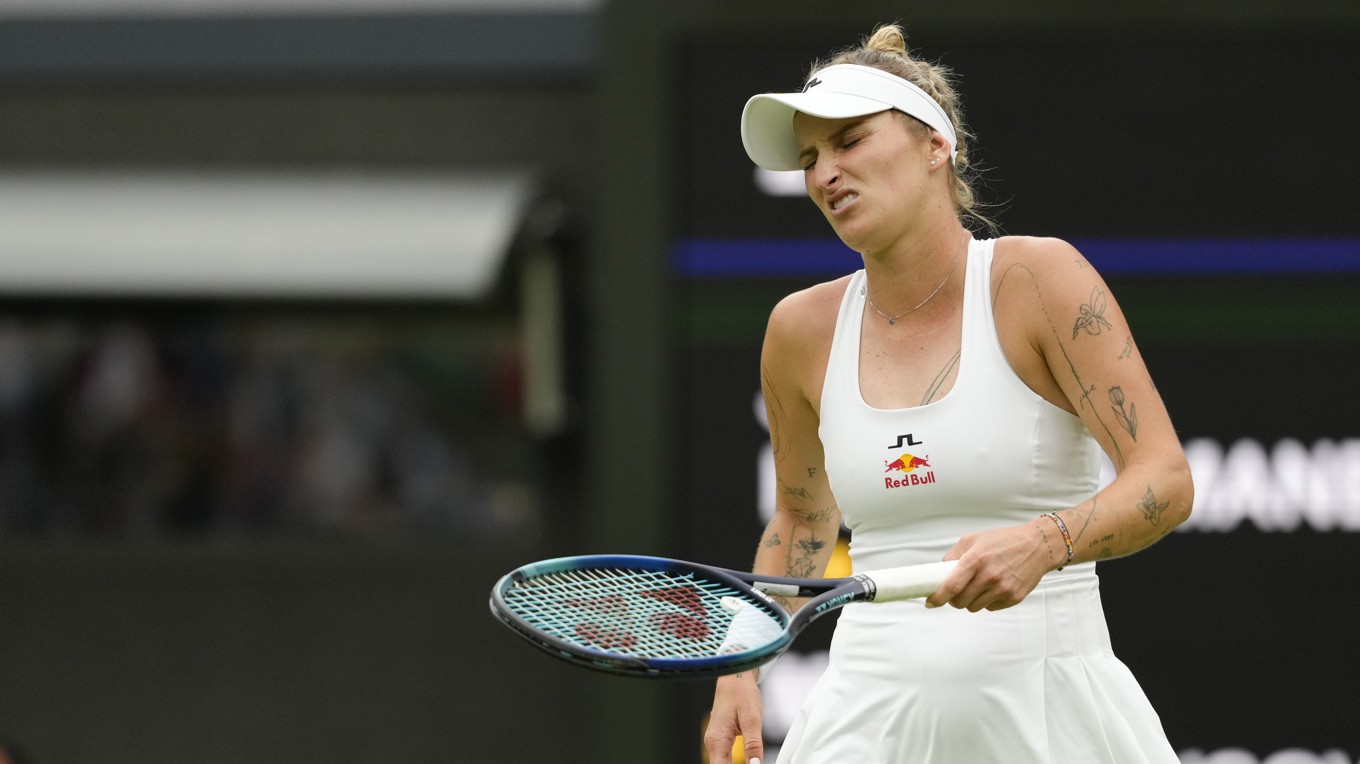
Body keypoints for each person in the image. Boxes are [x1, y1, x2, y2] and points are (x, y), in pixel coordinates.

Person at [703, 23, 1194, 764]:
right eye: (809, 158)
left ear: (937, 146)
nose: (825, 173)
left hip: (1053, 716)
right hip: (864, 721)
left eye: (850, 141)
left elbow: (1166, 479)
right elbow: (803, 519)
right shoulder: (798, 329)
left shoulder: (1039, 279)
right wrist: (743, 662)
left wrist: (1043, 541)